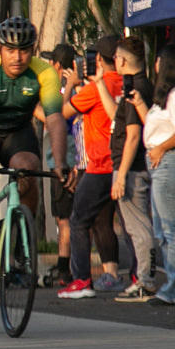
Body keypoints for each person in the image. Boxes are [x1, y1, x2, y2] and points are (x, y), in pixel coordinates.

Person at [0, 15, 68, 301]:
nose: (17, 57)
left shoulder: (44, 72)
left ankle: (20, 241)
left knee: (29, 170)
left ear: (33, 50)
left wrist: (59, 162)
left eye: (24, 50)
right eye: (10, 50)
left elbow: (55, 120)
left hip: (16, 133)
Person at [126, 44, 175, 305]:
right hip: (162, 162)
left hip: (170, 162)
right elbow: (157, 128)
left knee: (171, 228)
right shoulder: (166, 97)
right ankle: (174, 287)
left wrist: (161, 148)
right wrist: (141, 105)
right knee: (163, 229)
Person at [58, 35, 126, 299]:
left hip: (99, 164)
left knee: (78, 220)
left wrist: (71, 85)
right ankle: (117, 275)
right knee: (106, 222)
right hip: (124, 161)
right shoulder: (126, 82)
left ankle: (82, 280)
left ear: (98, 59)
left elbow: (65, 113)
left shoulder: (98, 86)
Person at [99, 36, 157, 298]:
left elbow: (134, 134)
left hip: (131, 167)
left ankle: (145, 280)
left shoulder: (136, 87)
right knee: (137, 225)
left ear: (121, 60)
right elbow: (117, 117)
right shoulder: (137, 85)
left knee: (138, 227)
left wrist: (120, 176)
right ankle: (145, 279)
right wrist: (99, 82)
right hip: (130, 166)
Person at [39, 44, 80, 286]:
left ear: (57, 65)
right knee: (63, 217)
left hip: (65, 160)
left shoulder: (68, 89)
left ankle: (66, 268)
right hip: (64, 159)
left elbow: (59, 117)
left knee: (65, 218)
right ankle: (65, 263)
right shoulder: (69, 87)